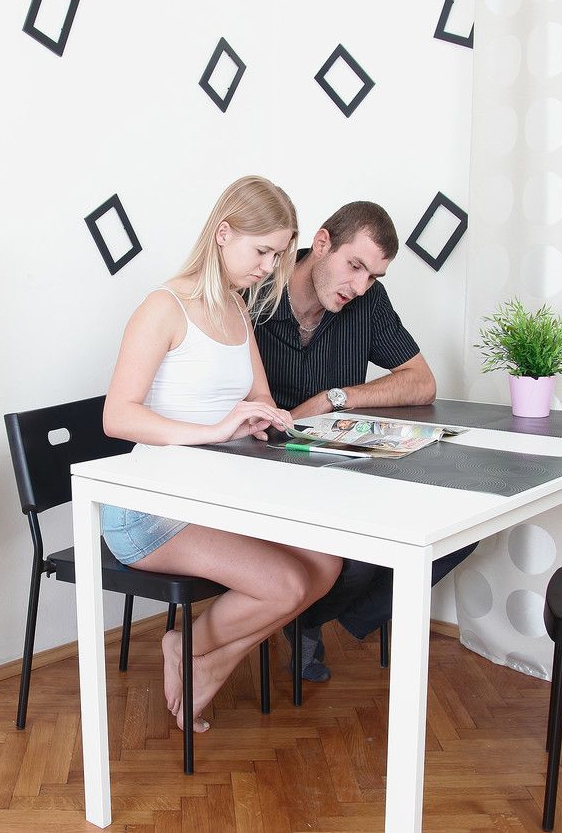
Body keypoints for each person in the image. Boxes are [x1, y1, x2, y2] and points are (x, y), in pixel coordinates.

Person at [102, 176, 344, 731]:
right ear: (223, 232)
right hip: (149, 511)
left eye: (278, 255)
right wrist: (213, 430)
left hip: (214, 498)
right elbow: (118, 417)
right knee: (285, 584)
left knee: (325, 563)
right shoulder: (162, 308)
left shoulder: (236, 308)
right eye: (262, 252)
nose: (269, 268)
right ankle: (187, 651)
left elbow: (258, 393)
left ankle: (205, 660)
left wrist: (266, 413)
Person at [252, 200, 477, 681]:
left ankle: (311, 619)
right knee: (357, 557)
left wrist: (334, 399)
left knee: (459, 530)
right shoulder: (255, 292)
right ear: (322, 242)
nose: (360, 286)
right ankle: (305, 616)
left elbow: (422, 382)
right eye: (355, 266)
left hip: (343, 468)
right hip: (264, 469)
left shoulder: (366, 302)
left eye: (373, 276)